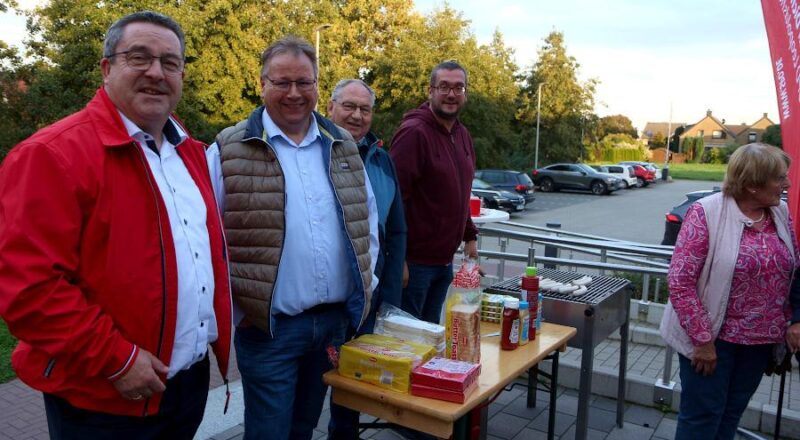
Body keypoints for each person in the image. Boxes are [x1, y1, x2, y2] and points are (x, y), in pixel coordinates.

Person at [0, 11, 232, 440]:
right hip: (105, 396)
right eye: (139, 57)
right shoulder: (52, 155)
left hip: (185, 385)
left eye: (170, 62)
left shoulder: (190, 152)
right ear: (107, 68)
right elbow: (28, 291)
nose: (156, 73)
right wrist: (117, 360)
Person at [206, 36, 379, 440]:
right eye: (282, 82)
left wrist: (364, 289)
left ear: (318, 85)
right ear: (262, 83)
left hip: (332, 326)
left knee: (303, 428)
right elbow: (208, 238)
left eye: (305, 82)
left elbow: (366, 225)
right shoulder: (229, 149)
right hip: (269, 330)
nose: (295, 93)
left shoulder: (343, 147)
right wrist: (237, 310)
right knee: (269, 433)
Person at [660, 143, 799, 440]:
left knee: (732, 413)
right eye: (779, 179)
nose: (786, 184)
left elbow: (795, 267)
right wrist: (703, 341)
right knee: (702, 418)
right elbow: (680, 282)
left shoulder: (780, 211)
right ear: (751, 185)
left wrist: (795, 318)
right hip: (712, 341)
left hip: (759, 342)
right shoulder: (706, 212)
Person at [325, 79, 407, 439]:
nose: (357, 115)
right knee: (315, 384)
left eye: (365, 109)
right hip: (327, 296)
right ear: (330, 107)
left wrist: (390, 294)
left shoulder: (382, 159)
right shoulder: (314, 150)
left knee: (356, 381)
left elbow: (397, 229)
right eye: (349, 106)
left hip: (369, 295)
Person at [390, 60, 478, 324]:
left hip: (443, 262)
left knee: (429, 336)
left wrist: (470, 236)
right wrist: (399, 258)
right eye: (444, 87)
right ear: (430, 91)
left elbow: (460, 194)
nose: (451, 94)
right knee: (408, 342)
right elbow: (393, 201)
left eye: (458, 87)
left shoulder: (462, 135)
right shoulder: (413, 133)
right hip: (414, 265)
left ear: (465, 93)